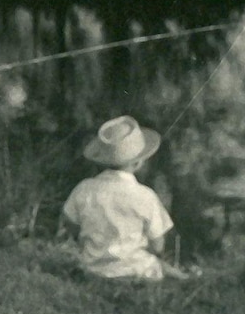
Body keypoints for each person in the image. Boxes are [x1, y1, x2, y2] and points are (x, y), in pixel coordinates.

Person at [61, 115, 189, 281]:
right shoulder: (145, 196)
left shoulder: (84, 188)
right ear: (138, 163)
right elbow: (158, 245)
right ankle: (187, 278)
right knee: (160, 266)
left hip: (93, 268)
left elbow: (69, 222)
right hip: (135, 269)